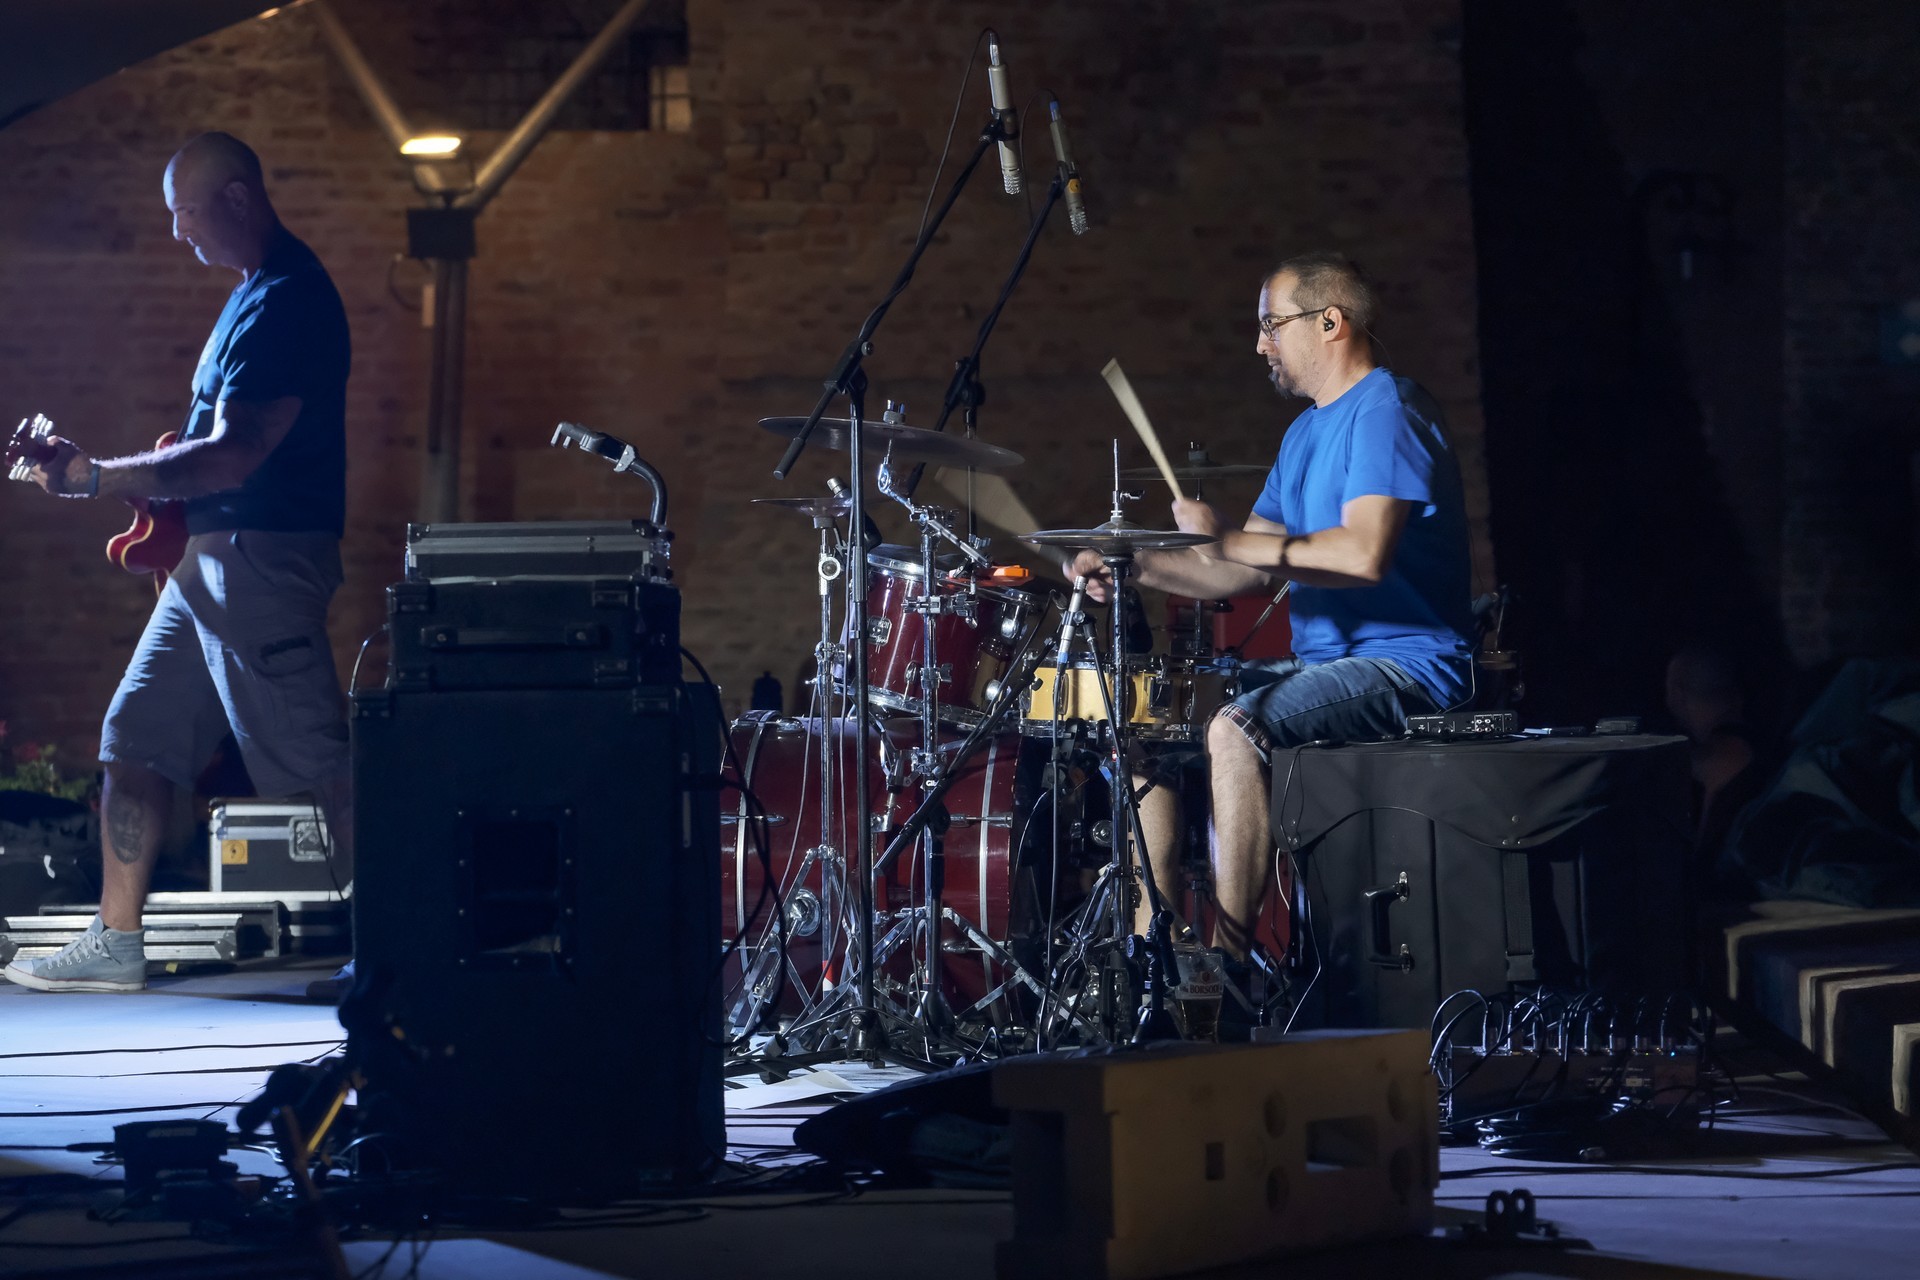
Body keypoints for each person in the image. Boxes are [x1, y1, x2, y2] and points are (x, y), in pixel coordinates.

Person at [1064, 252, 1474, 1004]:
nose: (1260, 345)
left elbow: (1361, 555)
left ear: (1331, 322)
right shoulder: (1304, 435)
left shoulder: (1388, 409)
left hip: (1409, 665)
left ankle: (1226, 973)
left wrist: (1226, 538)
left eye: (1271, 325)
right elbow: (1241, 572)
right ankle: (1155, 960)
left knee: (1235, 729)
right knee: (1146, 724)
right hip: (1324, 667)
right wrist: (1133, 566)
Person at [5, 133, 353, 994]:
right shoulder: (249, 297)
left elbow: (232, 456)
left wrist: (94, 477)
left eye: (186, 213)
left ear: (236, 198)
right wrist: (113, 478)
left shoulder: (288, 303)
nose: (177, 233)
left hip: (260, 559)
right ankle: (117, 940)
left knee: (313, 768)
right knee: (136, 736)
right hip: (213, 559)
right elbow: (197, 454)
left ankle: (404, 947)